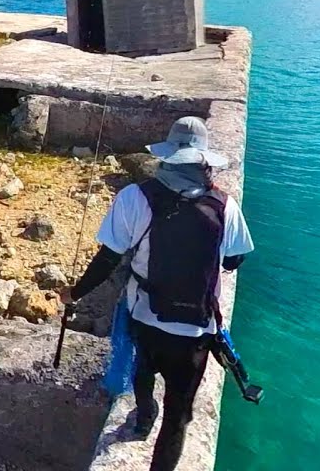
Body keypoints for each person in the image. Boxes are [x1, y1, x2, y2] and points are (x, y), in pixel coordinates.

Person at [60, 116, 254, 471]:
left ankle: (145, 414)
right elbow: (235, 259)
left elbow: (108, 258)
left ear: (166, 155)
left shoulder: (135, 197)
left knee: (144, 368)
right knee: (179, 418)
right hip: (195, 330)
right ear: (204, 160)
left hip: (145, 314)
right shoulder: (225, 206)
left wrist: (75, 293)